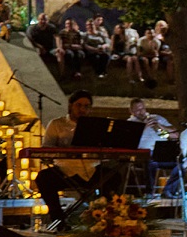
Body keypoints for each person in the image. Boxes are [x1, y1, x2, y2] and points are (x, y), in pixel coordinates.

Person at [34, 91, 126, 229]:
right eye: (79, 105)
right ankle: (58, 219)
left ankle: (108, 218)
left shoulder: (96, 126)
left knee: (114, 176)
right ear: (71, 105)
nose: (83, 109)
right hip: (65, 171)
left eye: (87, 106)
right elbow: (47, 148)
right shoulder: (57, 124)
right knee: (43, 178)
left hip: (91, 169)